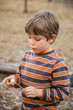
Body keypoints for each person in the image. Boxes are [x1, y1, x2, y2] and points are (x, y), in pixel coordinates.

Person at [3, 10, 70, 110]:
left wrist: (39, 92)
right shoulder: (27, 56)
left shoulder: (57, 64)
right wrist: (14, 80)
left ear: (51, 38)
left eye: (37, 39)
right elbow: (21, 78)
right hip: (25, 107)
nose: (31, 42)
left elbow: (62, 92)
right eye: (29, 37)